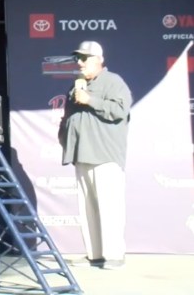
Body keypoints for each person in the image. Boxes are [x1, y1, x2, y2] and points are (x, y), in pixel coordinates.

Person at [58, 41, 132, 270]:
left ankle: (114, 255)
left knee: (110, 208)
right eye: (78, 58)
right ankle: (95, 254)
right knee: (87, 210)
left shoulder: (113, 81)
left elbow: (120, 111)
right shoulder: (77, 86)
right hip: (82, 154)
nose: (79, 63)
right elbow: (69, 116)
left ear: (99, 60)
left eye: (85, 58)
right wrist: (64, 136)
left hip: (104, 156)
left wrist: (90, 100)